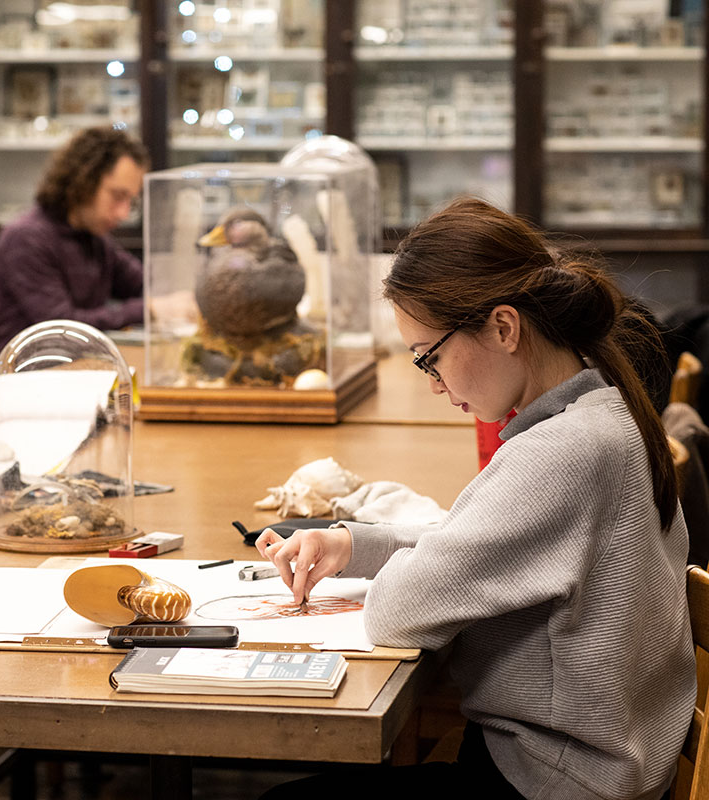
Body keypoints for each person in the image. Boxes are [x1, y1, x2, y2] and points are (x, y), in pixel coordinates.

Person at [256, 197, 695, 800]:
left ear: (504, 327)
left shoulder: (563, 451)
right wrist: (353, 543)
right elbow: (481, 538)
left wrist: (391, 565)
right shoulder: (597, 410)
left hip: (553, 780)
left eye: (429, 359)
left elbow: (397, 611)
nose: (434, 385)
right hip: (593, 765)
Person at [0, 126, 150, 353]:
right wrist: (149, 309)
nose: (124, 213)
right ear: (84, 181)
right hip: (30, 379)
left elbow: (143, 283)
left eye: (130, 201)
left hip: (79, 371)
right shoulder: (25, 238)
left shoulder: (93, 237)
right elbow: (64, 328)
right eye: (117, 196)